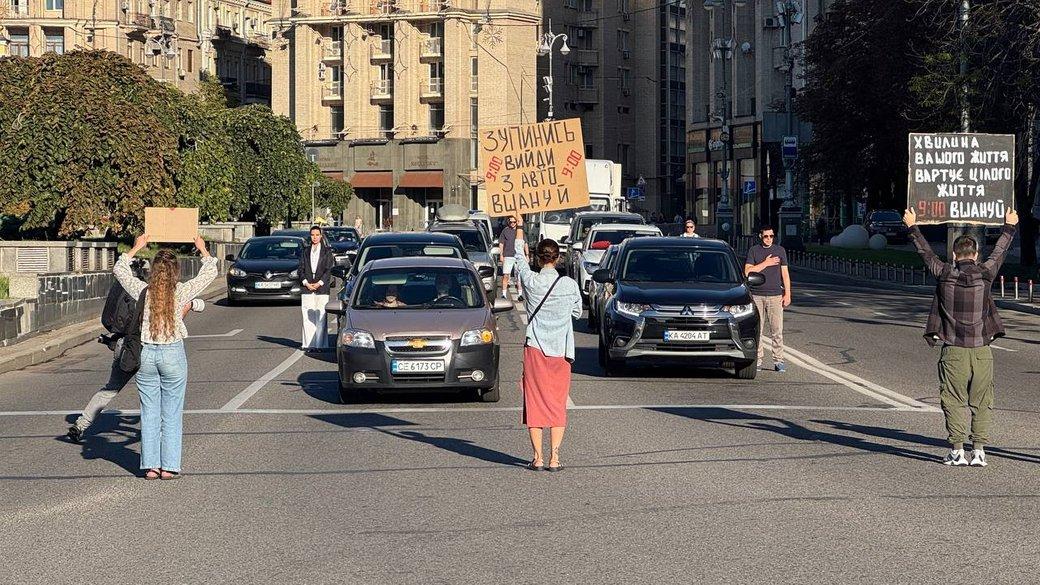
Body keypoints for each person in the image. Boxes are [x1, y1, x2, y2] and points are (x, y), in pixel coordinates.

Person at [904, 207, 1018, 467]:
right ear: (976, 255)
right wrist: (1009, 226)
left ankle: (957, 450)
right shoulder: (986, 274)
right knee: (982, 401)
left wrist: (912, 226)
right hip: (981, 350)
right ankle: (979, 451)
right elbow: (1000, 252)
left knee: (953, 400)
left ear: (954, 256)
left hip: (953, 349)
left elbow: (925, 253)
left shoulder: (945, 274)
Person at [115, 234, 217, 480]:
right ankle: (169, 467)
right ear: (175, 271)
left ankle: (150, 466)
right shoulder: (181, 291)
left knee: (149, 412)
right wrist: (202, 250)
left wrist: (137, 247)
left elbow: (120, 270)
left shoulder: (143, 291)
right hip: (172, 352)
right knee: (171, 413)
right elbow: (210, 273)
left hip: (146, 353)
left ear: (153, 270)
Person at [66, 298, 204, 443]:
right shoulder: (156, 294)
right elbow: (174, 321)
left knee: (110, 389)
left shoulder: (129, 291)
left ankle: (80, 425)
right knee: (157, 393)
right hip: (146, 350)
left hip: (124, 346)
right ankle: (161, 438)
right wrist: (190, 305)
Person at [513, 228, 582, 472]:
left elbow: (518, 261)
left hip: (535, 349)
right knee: (556, 403)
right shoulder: (569, 285)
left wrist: (519, 229)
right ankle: (555, 458)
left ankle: (538, 458)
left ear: (538, 258)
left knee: (534, 402)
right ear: (557, 258)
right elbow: (576, 312)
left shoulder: (531, 282)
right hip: (561, 351)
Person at [744, 226, 791, 372]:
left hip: (775, 295)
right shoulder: (754, 251)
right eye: (766, 236)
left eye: (771, 236)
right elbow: (747, 272)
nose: (769, 239)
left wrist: (788, 293)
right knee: (758, 329)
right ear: (760, 236)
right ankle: (757, 360)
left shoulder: (780, 250)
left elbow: (785, 274)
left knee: (777, 330)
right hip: (756, 295)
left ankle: (778, 360)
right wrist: (766, 263)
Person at [299, 226, 335, 352]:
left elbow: (328, 270)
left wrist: (319, 283)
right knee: (307, 316)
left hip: (322, 288)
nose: (314, 237)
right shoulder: (305, 251)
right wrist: (306, 283)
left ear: (321, 236)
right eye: (312, 235)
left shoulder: (327, 251)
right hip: (307, 287)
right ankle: (309, 345)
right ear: (310, 236)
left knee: (320, 316)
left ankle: (320, 345)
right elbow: (301, 269)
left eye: (317, 235)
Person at [498, 215, 519, 299]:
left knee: (519, 276)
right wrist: (501, 255)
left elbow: (525, 243)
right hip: (507, 255)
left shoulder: (519, 231)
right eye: (511, 222)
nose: (512, 224)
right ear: (508, 222)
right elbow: (501, 243)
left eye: (514, 222)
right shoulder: (505, 231)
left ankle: (520, 295)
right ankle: (504, 294)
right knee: (506, 275)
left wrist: (527, 255)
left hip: (518, 256)